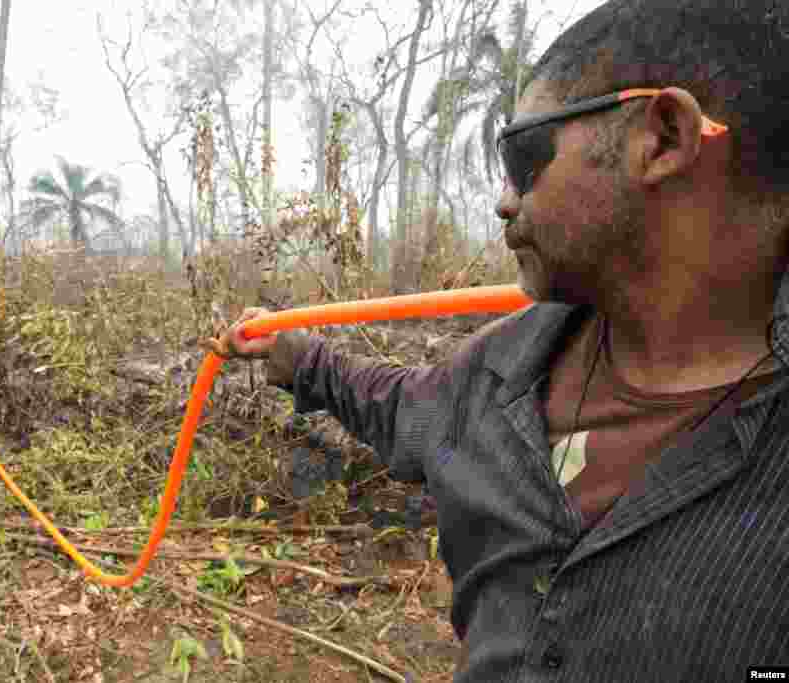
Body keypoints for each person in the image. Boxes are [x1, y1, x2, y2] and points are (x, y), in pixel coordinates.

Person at [216, 1, 789, 680]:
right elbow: (400, 404)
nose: (503, 202)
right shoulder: (499, 371)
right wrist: (293, 357)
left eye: (525, 155)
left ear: (663, 137)